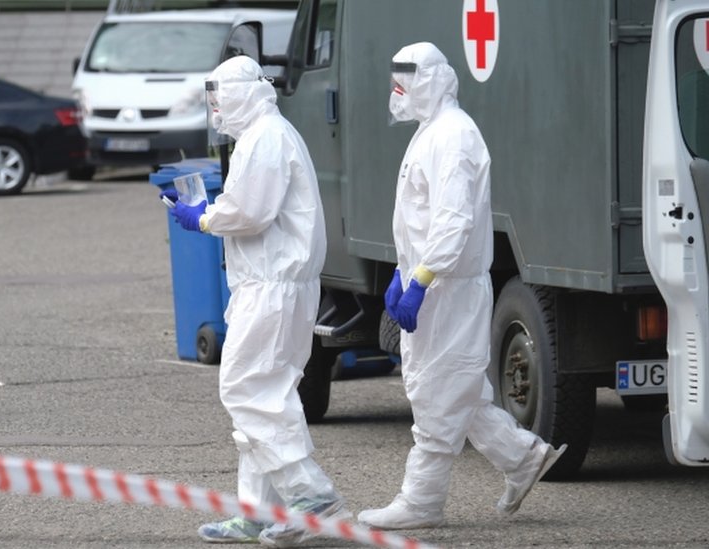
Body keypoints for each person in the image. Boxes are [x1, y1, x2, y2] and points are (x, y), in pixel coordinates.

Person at [357, 42, 567, 530]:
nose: (398, 90)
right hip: (433, 282)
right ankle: (523, 458)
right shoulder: (431, 132)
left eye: (406, 79)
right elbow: (418, 218)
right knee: (459, 389)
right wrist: (400, 273)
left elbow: (452, 222)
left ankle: (422, 501)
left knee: (435, 392)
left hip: (448, 288)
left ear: (429, 80)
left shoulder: (453, 136)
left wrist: (421, 280)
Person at [159, 55, 348, 546]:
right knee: (265, 395)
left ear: (243, 93)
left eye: (219, 96)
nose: (216, 107)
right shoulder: (263, 134)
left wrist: (203, 217)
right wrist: (210, 213)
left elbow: (250, 213)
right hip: (271, 283)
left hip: (274, 285)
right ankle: (259, 511)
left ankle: (311, 493)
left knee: (247, 389)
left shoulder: (266, 137)